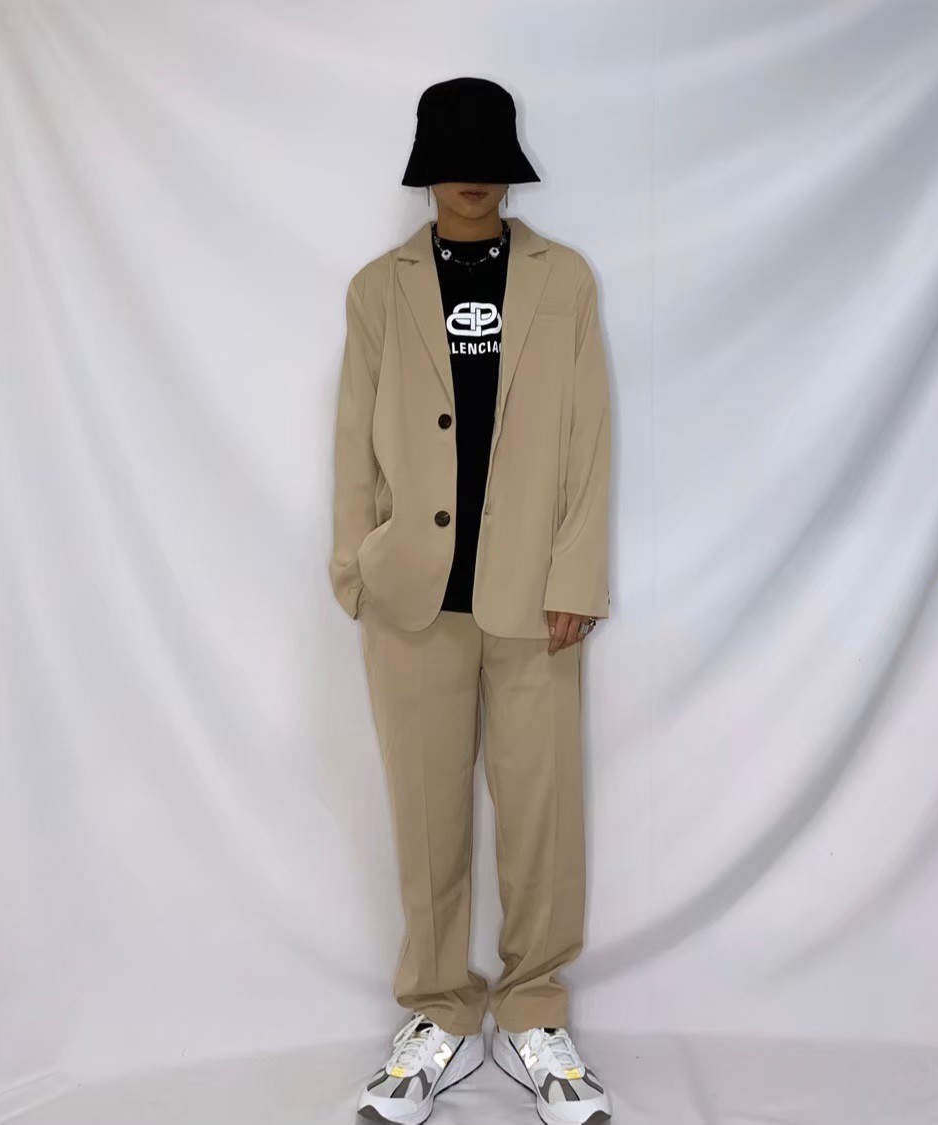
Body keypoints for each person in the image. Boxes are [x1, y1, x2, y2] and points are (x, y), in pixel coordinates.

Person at [329, 76, 613, 1125]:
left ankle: (535, 1009)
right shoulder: (379, 289)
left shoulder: (562, 280)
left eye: (488, 156)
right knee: (426, 819)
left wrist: (576, 576)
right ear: (426, 168)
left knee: (541, 817)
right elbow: (351, 440)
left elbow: (590, 435)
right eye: (453, 156)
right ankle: (439, 1012)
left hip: (534, 601)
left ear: (510, 165)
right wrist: (355, 567)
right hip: (412, 600)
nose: (472, 176)